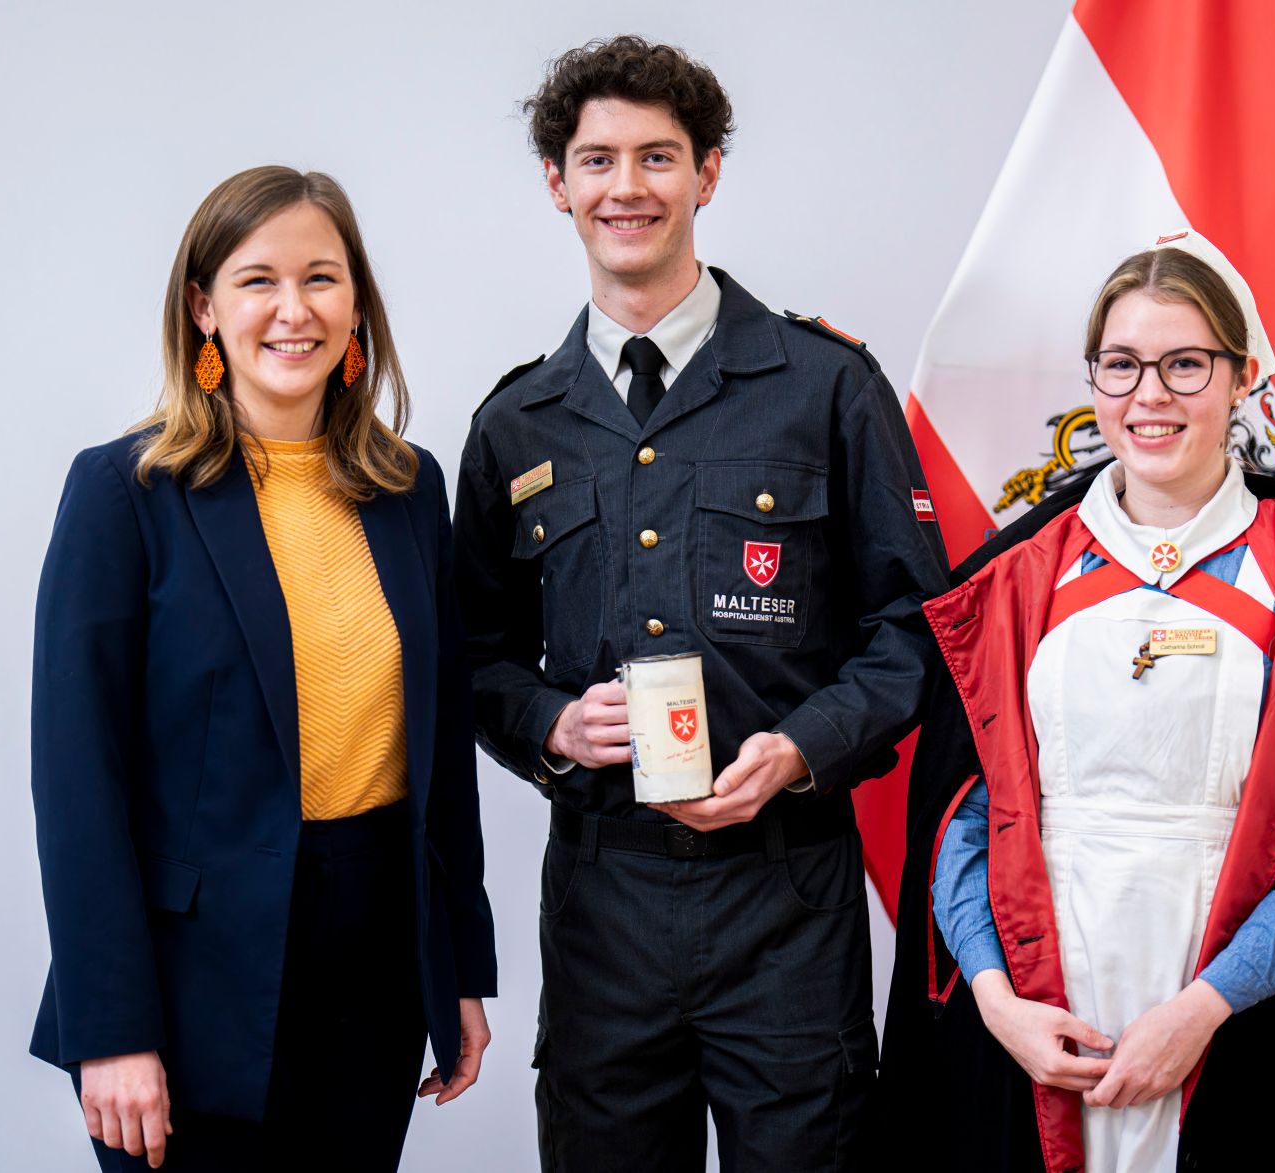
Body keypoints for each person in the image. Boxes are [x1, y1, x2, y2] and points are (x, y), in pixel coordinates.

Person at [453, 35, 949, 1172]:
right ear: (557, 185)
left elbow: (914, 631)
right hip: (600, 903)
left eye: (657, 157)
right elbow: (469, 656)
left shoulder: (824, 385)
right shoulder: (516, 424)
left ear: (707, 172)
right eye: (596, 161)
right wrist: (548, 726)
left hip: (785, 894)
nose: (625, 187)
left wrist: (797, 749)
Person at [874, 233, 1275, 1172]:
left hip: (1242, 1005)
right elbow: (960, 816)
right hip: (1040, 1009)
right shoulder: (1014, 580)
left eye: (1185, 364)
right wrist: (1001, 1002)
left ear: (1243, 377)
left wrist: (1205, 1006)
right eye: (1121, 365)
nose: (1150, 395)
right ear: (1094, 380)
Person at [29, 166, 497, 1171]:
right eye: (258, 281)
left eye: (322, 279)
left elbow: (440, 750)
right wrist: (108, 1026)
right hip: (187, 984)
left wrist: (455, 966)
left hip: (374, 964)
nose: (295, 310)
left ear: (356, 306)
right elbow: (78, 787)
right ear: (203, 307)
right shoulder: (126, 493)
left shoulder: (408, 490)